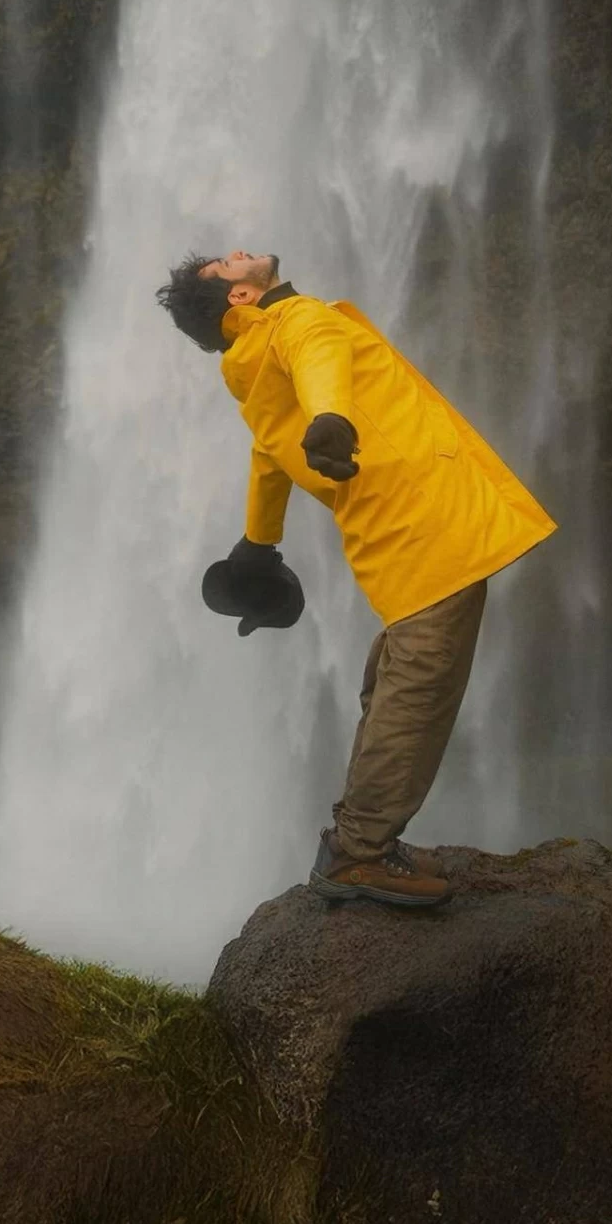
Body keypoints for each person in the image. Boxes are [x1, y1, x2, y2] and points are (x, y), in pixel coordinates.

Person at [156, 250, 557, 906]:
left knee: (403, 669)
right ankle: (359, 852)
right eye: (229, 262)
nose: (243, 251)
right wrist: (330, 419)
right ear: (241, 299)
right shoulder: (294, 320)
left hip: (386, 531)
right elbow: (320, 356)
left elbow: (267, 461)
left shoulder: (252, 376)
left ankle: (365, 835)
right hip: (427, 516)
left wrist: (257, 549)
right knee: (421, 681)